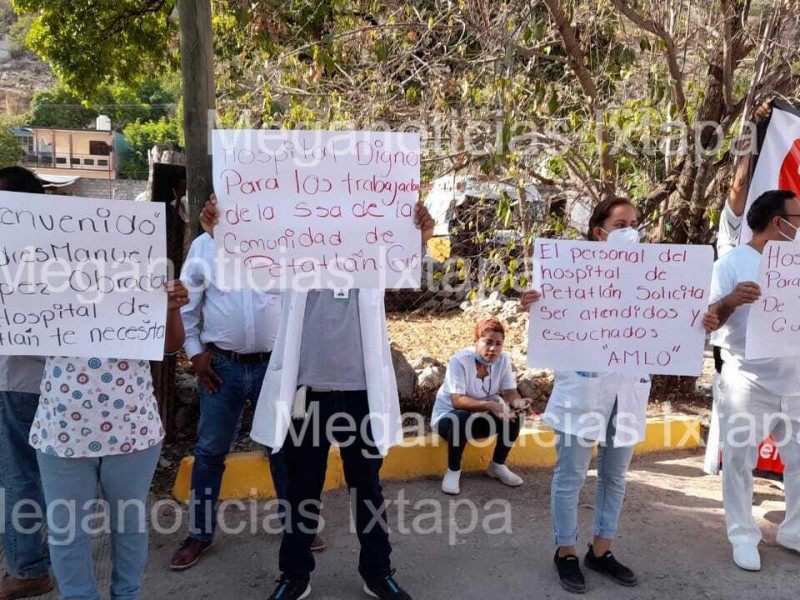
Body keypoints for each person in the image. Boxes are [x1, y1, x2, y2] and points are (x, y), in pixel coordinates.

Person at [199, 197, 435, 600]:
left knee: (368, 490)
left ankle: (377, 572)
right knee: (302, 490)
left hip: (361, 394)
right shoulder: (292, 253)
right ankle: (295, 575)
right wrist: (219, 230)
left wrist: (421, 236)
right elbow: (247, 261)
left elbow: (403, 266)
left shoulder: (370, 255)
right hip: (306, 394)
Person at [169, 231, 324, 570]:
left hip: (275, 366)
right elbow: (187, 306)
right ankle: (200, 533)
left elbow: (300, 303)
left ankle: (298, 527)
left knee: (284, 449)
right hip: (221, 367)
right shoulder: (204, 246)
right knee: (210, 452)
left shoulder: (283, 240)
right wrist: (195, 354)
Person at [522, 197, 651, 594]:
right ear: (600, 232)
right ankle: (565, 551)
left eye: (635, 223)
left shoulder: (654, 276)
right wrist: (535, 304)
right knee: (571, 476)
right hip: (583, 390)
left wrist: (702, 318)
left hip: (627, 390)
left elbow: (676, 320)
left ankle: (602, 550)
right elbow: (551, 320)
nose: (631, 231)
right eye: (621, 224)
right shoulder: (569, 273)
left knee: (615, 476)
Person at [32, 280, 189, 600]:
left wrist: (171, 309)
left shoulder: (139, 272)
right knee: (65, 531)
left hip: (132, 428)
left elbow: (171, 345)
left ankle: (127, 595)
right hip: (62, 429)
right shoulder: (40, 268)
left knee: (129, 525)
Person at [703, 189, 800, 571]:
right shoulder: (732, 263)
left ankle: (793, 530)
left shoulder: (797, 262)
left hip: (795, 383)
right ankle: (743, 536)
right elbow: (707, 319)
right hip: (746, 380)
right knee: (740, 460)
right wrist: (730, 301)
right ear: (780, 222)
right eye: (798, 217)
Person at [705, 99, 773, 475]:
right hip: (734, 335)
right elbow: (738, 185)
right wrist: (752, 135)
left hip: (775, 344)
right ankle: (726, 465)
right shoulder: (733, 234)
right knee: (733, 410)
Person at [0, 167, 54, 600]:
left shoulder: (23, 250)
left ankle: (29, 566)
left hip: (20, 378)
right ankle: (43, 559)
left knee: (18, 476)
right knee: (38, 475)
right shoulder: (58, 246)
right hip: (35, 377)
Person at [430, 318, 531, 495]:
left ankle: (497, 465)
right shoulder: (460, 361)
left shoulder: (503, 360)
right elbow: (457, 401)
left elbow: (510, 392)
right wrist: (492, 405)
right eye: (488, 342)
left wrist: (519, 403)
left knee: (515, 414)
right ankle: (453, 471)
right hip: (449, 421)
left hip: (480, 418)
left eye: (498, 344)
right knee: (460, 416)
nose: (493, 349)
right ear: (476, 342)